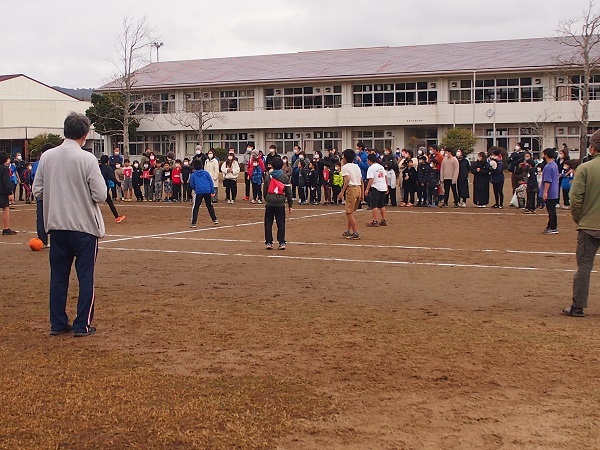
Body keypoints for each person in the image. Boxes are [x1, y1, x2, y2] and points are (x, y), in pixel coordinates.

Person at [31, 113, 106, 337]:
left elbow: (38, 190)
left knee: (58, 278)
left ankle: (57, 323)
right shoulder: (87, 159)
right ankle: (82, 324)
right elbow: (100, 194)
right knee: (86, 277)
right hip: (84, 228)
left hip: (57, 227)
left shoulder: (47, 157)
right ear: (85, 134)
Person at [565, 130, 600, 317]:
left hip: (589, 225)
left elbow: (575, 198)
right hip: (589, 222)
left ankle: (578, 306)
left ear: (593, 147)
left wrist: (579, 218)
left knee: (584, 266)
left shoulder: (585, 168)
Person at [263, 157, 293, 250]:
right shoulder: (285, 177)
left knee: (268, 223)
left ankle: (269, 242)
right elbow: (288, 192)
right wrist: (290, 204)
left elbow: (265, 190)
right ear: (282, 166)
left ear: (272, 165)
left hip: (270, 203)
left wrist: (267, 198)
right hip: (280, 203)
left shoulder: (268, 176)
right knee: (281, 223)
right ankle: (281, 242)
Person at [338, 149, 364, 239]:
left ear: (344, 158)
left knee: (348, 212)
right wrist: (362, 193)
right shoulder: (356, 166)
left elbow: (347, 179)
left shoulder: (345, 167)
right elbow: (361, 180)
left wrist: (342, 192)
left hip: (352, 189)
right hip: (358, 188)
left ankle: (355, 232)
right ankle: (348, 231)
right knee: (351, 211)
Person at [189, 159, 218, 227]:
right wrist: (212, 191)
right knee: (209, 205)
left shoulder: (193, 175)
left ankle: (193, 223)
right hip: (207, 190)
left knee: (196, 207)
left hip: (199, 191)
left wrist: (195, 189)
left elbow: (192, 184)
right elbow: (211, 182)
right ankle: (215, 219)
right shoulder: (206, 173)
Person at [99, 155, 126, 223]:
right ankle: (117, 217)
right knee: (110, 203)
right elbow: (112, 177)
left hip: (95, 186)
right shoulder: (108, 168)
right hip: (103, 186)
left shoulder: (97, 167)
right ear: (107, 161)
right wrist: (119, 184)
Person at [365, 153, 389, 226]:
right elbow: (385, 177)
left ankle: (375, 221)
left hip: (376, 187)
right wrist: (386, 186)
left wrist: (367, 189)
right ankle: (383, 219)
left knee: (374, 205)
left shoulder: (371, 168)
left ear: (369, 160)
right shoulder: (381, 167)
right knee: (381, 205)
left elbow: (371, 179)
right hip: (383, 186)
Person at [541, 148, 560, 234]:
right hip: (555, 191)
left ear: (546, 155)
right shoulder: (554, 165)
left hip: (550, 192)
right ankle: (550, 226)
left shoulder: (548, 166)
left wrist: (545, 192)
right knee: (552, 210)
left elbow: (547, 180)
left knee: (551, 211)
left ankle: (553, 227)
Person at [0, 153, 17, 235]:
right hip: (2, 192)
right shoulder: (5, 169)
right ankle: (6, 228)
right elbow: (6, 182)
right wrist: (10, 192)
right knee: (6, 208)